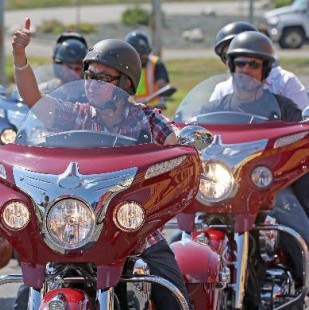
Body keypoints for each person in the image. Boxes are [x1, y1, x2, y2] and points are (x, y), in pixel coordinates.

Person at [11, 17, 192, 309]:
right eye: (89, 75)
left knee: (172, 294)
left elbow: (175, 148)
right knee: (25, 296)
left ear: (125, 83)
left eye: (103, 78)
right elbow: (34, 99)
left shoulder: (146, 118)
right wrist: (20, 57)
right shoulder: (77, 114)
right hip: (78, 225)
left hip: (134, 227)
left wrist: (187, 147)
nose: (92, 84)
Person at [218, 31, 309, 309]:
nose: (246, 70)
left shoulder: (283, 106)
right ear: (232, 67)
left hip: (270, 188)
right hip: (224, 189)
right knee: (179, 241)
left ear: (264, 70)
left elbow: (304, 139)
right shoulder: (216, 107)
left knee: (305, 244)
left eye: (253, 65)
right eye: (240, 63)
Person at [211, 21, 309, 110]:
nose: (246, 68)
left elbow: (302, 124)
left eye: (253, 63)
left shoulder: (286, 82)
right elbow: (205, 122)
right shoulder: (222, 90)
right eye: (226, 57)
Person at [124, 30, 170, 109]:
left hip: (153, 112)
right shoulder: (124, 68)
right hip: (131, 113)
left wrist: (162, 101)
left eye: (147, 52)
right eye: (140, 53)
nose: (145, 56)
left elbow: (162, 86)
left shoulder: (156, 64)